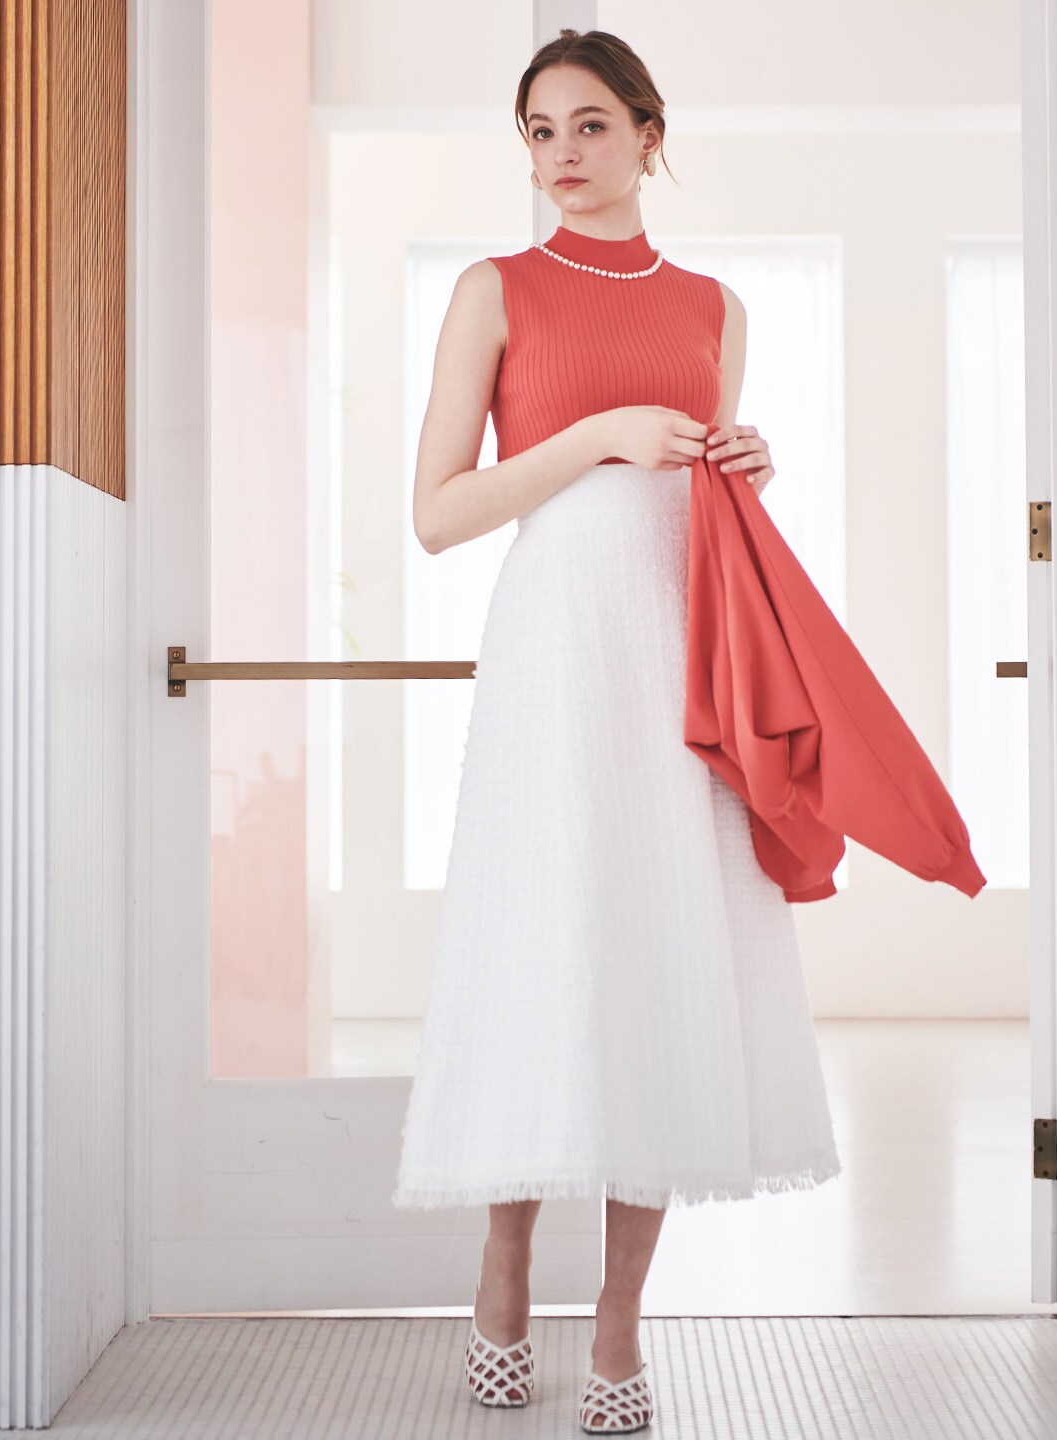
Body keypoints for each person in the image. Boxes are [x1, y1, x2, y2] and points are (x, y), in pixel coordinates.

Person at [391, 27, 841, 1434]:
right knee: (544, 947)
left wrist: (744, 460)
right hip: (558, 653)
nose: (562, 156)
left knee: (665, 956)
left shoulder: (715, 307)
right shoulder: (495, 289)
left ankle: (621, 1324)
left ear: (650, 136)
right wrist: (595, 436)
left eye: (590, 126)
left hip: (682, 649)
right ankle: (504, 1268)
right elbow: (438, 513)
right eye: (539, 132)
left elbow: (694, 481)